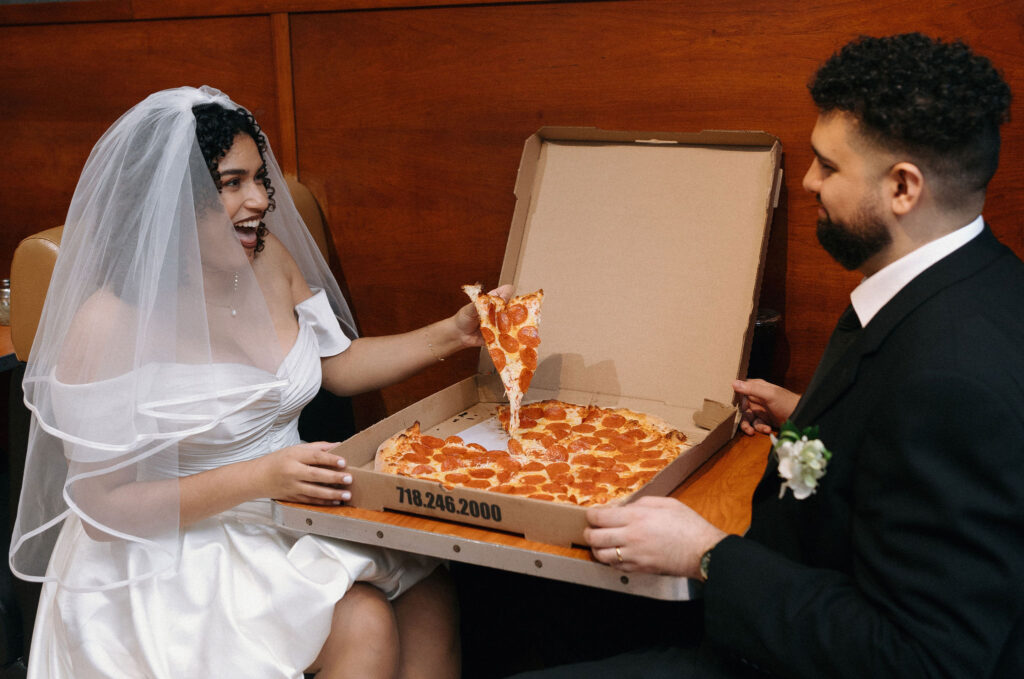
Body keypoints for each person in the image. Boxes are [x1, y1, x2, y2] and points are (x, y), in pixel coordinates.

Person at [513, 33, 1024, 678]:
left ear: (902, 187)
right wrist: (813, 419)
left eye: (829, 167)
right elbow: (897, 448)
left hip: (793, 654)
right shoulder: (978, 282)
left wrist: (707, 552)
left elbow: (922, 658)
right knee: (512, 611)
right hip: (784, 599)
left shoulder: (954, 379)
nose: (807, 181)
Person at [8, 86, 501, 678]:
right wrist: (260, 477)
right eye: (233, 183)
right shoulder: (109, 322)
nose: (262, 199)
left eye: (260, 179)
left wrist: (451, 334)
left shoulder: (270, 258)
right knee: (364, 623)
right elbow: (98, 507)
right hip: (175, 548)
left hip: (292, 509)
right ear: (175, 202)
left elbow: (336, 365)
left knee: (430, 593)